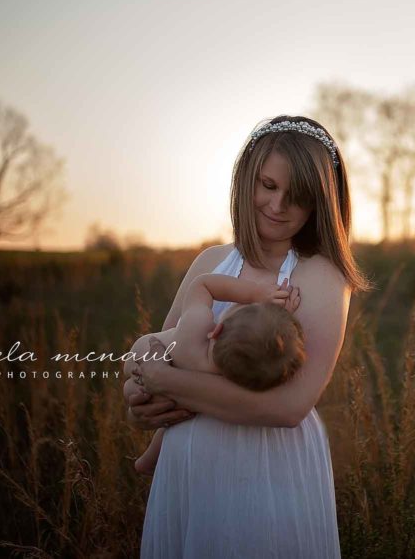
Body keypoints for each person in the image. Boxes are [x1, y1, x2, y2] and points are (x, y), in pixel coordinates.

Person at [123, 114, 372, 558]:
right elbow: (159, 349)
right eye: (268, 186)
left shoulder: (319, 275)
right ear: (245, 180)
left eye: (297, 196)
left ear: (320, 202)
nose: (278, 206)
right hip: (188, 471)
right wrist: (138, 389)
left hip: (266, 469)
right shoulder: (211, 262)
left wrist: (166, 382)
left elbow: (289, 406)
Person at [131, 272, 305, 476]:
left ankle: (147, 460)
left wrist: (255, 294)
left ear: (217, 330)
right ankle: (149, 458)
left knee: (178, 411)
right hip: (162, 375)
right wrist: (283, 318)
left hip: (145, 352)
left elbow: (202, 284)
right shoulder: (231, 377)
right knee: (184, 412)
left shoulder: (195, 330)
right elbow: (262, 349)